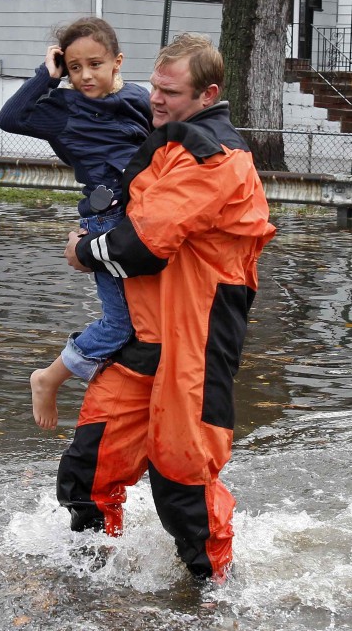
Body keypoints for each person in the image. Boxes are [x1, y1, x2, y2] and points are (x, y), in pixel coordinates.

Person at [57, 33, 276, 582]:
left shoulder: (215, 156)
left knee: (181, 479)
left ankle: (214, 598)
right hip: (148, 336)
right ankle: (86, 578)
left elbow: (142, 247)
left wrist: (85, 251)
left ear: (208, 94)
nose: (156, 98)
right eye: (154, 86)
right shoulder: (171, 141)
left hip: (197, 339)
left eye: (170, 92)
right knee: (87, 469)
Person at [0, 17, 152, 430]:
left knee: (150, 318)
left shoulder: (138, 97)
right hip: (106, 218)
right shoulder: (63, 109)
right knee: (121, 322)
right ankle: (50, 377)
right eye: (75, 67)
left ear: (117, 62)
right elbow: (9, 118)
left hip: (146, 216)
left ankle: (126, 396)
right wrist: (46, 76)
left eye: (95, 64)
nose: (85, 75)